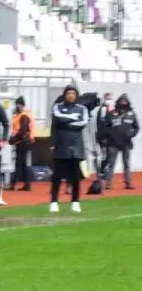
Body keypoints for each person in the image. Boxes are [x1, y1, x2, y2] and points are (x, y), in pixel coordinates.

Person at [49, 85, 88, 213]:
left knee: (75, 177)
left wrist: (66, 123)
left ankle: (75, 202)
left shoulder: (82, 108)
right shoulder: (57, 107)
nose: (71, 95)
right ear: (64, 95)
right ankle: (54, 202)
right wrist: (72, 119)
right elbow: (57, 119)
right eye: (68, 93)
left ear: (76, 95)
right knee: (57, 176)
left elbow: (82, 123)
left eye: (73, 93)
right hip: (61, 145)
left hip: (76, 146)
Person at [98, 93, 136, 189]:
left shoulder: (131, 114)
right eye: (122, 101)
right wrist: (107, 136)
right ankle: (108, 183)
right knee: (111, 163)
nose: (123, 103)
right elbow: (106, 126)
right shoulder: (112, 113)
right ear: (118, 102)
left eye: (125, 101)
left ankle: (128, 183)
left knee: (126, 163)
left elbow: (137, 127)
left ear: (128, 103)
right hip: (112, 143)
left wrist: (131, 134)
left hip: (126, 143)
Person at [9, 96, 34, 191]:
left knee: (19, 163)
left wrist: (13, 139)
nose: (16, 106)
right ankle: (27, 184)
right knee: (23, 163)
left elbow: (23, 130)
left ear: (20, 105)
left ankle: (14, 184)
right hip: (24, 141)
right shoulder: (21, 115)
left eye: (17, 104)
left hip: (23, 142)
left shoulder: (23, 116)